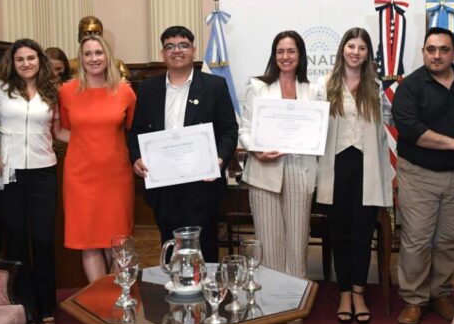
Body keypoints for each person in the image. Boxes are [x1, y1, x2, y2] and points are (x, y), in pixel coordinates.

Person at [392, 27, 454, 324]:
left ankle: (440, 293)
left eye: (444, 49)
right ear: (423, 52)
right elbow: (411, 130)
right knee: (417, 240)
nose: (437, 55)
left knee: (451, 239)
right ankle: (414, 299)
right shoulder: (411, 86)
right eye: (431, 49)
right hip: (419, 175)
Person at [128, 26, 238, 263]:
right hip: (163, 186)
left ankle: (207, 297)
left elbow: (229, 130)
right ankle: (173, 295)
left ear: (193, 50)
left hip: (201, 185)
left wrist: (218, 160)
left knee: (203, 247)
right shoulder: (148, 89)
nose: (176, 51)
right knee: (169, 247)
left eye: (183, 45)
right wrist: (136, 158)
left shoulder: (214, 86)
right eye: (170, 46)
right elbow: (136, 131)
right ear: (162, 53)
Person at [315, 28, 393, 324]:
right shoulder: (326, 85)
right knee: (340, 234)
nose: (355, 52)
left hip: (367, 168)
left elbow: (390, 123)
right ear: (342, 50)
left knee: (362, 234)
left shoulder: (376, 86)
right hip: (336, 168)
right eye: (351, 46)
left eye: (362, 47)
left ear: (367, 54)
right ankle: (344, 291)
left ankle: (359, 291)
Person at [0, 38, 59, 324]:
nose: (26, 63)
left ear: (39, 61)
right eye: (20, 59)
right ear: (12, 62)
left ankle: (46, 306)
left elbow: (61, 129)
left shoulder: (52, 92)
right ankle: (24, 305)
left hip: (43, 170)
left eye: (31, 58)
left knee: (43, 239)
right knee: (15, 239)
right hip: (9, 171)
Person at [54, 34, 136, 282]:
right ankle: (98, 299)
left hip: (116, 176)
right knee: (88, 241)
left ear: (107, 56)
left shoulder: (125, 92)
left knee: (117, 240)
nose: (93, 58)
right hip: (80, 176)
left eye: (98, 53)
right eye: (87, 54)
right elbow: (62, 131)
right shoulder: (67, 92)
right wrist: (84, 144)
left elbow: (130, 130)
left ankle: (115, 294)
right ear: (81, 59)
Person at [239, 30, 317, 278]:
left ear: (300, 55)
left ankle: (296, 300)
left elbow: (317, 132)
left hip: (299, 169)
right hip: (264, 169)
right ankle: (274, 303)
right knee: (269, 240)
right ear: (274, 55)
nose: (285, 56)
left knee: (297, 240)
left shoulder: (312, 90)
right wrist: (256, 149)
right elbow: (245, 129)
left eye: (291, 51)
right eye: (280, 51)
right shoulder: (258, 87)